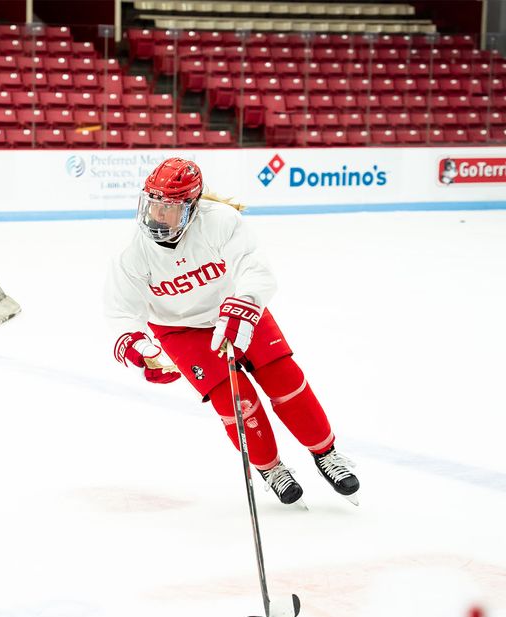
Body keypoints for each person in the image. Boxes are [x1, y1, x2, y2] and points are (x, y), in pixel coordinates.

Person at [104, 158, 359, 506]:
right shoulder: (132, 253)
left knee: (285, 379)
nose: (157, 215)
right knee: (237, 402)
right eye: (153, 204)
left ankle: (325, 453)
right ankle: (271, 468)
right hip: (181, 330)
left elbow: (255, 267)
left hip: (236, 308)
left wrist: (245, 303)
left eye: (168, 207)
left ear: (192, 206)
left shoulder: (220, 221)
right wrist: (140, 349)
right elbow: (122, 311)